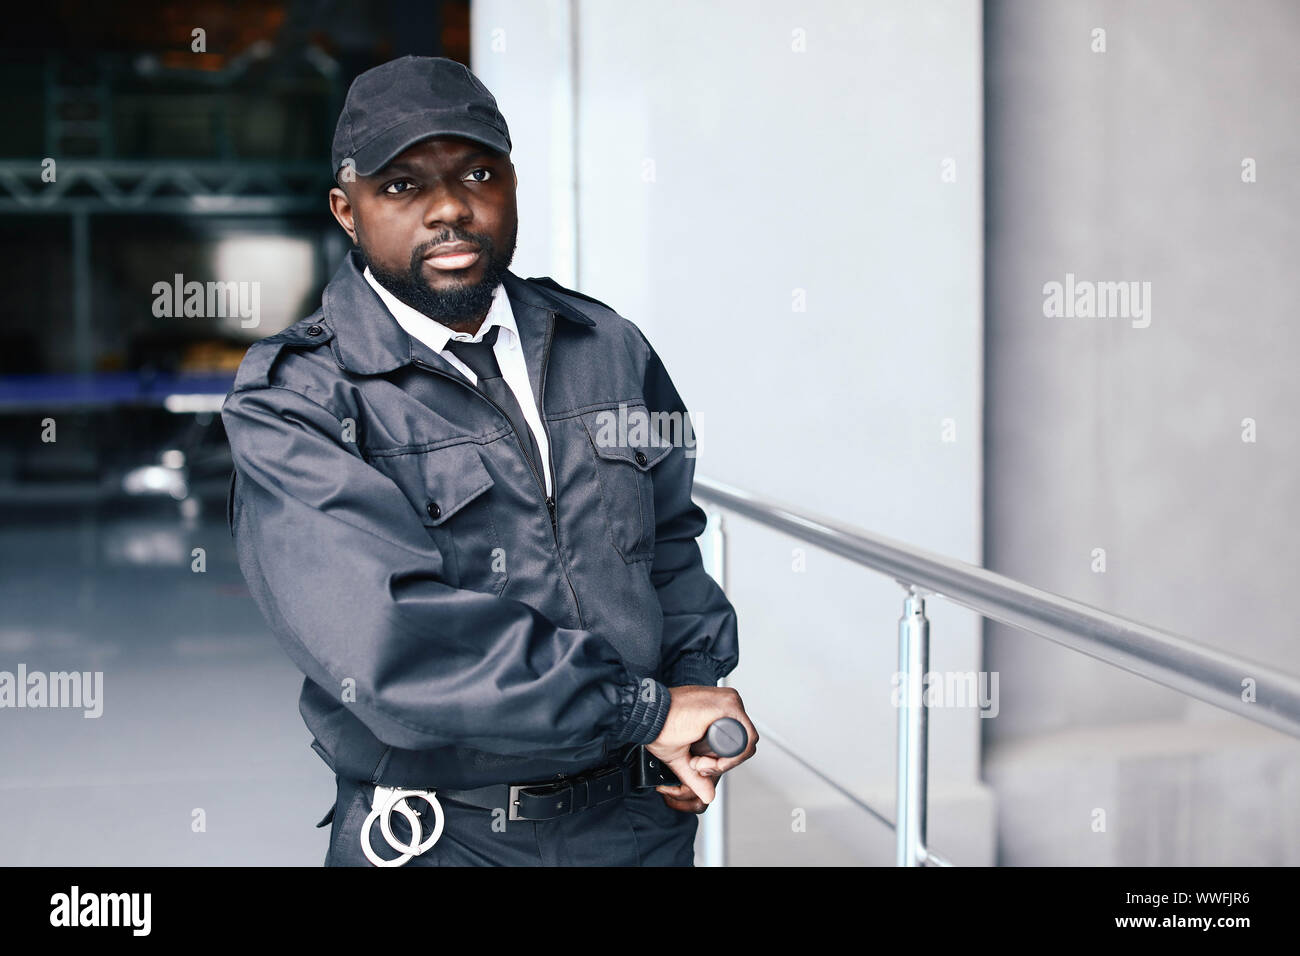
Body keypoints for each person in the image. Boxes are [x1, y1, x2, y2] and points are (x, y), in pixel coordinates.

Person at [221, 54, 756, 866]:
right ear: (347, 210)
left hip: (637, 823)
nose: (449, 209)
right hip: (447, 837)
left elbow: (671, 545)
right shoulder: (299, 397)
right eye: (402, 186)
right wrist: (643, 711)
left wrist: (695, 698)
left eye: (477, 173)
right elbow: (388, 637)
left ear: (510, 183)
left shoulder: (605, 347)